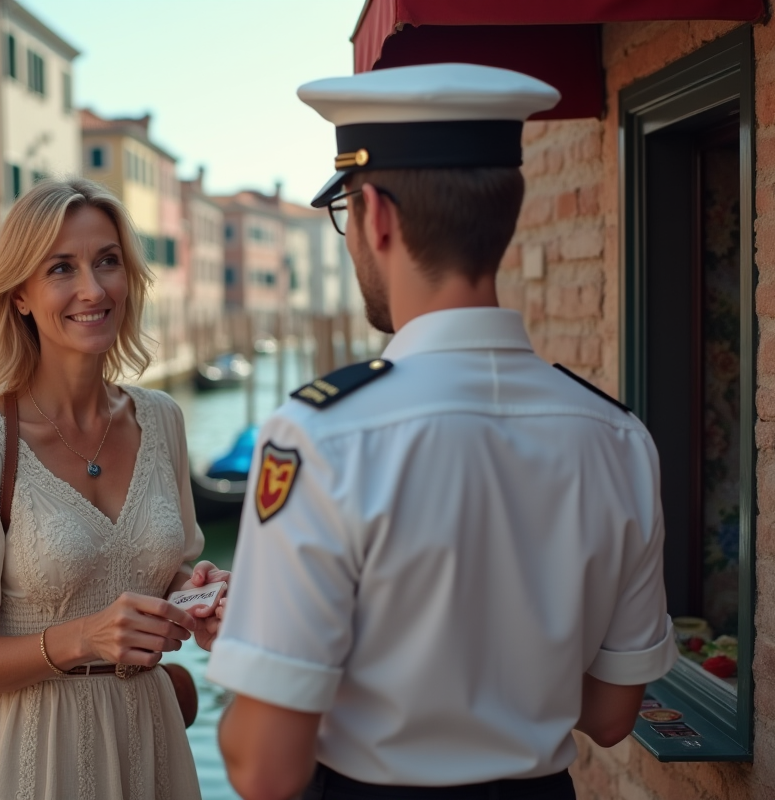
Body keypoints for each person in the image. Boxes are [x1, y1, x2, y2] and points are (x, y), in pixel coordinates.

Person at [206, 64, 678, 800]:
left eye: (347, 217)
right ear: (504, 216)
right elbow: (613, 714)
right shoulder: (616, 437)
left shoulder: (321, 435)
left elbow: (265, 769)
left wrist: (262, 652)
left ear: (378, 217)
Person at [0, 177, 228, 799]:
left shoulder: (162, 419)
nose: (93, 287)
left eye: (107, 261)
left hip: (152, 742)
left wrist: (196, 594)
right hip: (34, 760)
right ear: (22, 296)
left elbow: (158, 570)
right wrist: (83, 636)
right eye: (62, 268)